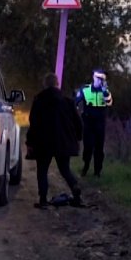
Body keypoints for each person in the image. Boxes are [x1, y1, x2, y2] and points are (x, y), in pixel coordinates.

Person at [25, 72, 84, 209]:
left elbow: (33, 123)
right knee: (65, 169)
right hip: (63, 142)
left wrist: (30, 142)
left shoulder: (39, 100)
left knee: (42, 171)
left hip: (43, 143)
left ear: (45, 85)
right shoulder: (68, 101)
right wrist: (78, 138)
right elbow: (79, 122)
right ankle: (76, 193)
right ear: (57, 84)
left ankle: (43, 200)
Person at [75, 68, 113, 177]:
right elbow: (76, 102)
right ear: (93, 77)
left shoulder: (105, 91)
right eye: (98, 78)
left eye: (102, 79)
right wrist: (77, 112)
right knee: (88, 147)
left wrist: (105, 91)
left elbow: (109, 103)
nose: (99, 80)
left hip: (100, 123)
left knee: (99, 148)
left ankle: (97, 171)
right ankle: (86, 166)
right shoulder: (85, 89)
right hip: (88, 122)